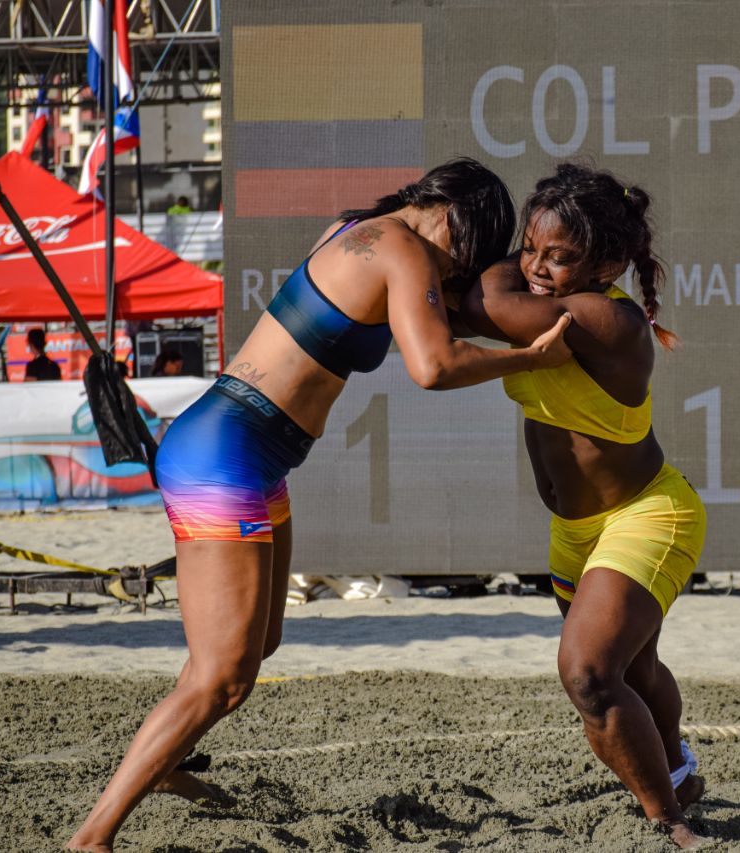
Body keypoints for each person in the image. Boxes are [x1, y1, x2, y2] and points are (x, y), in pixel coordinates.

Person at [66, 159, 573, 852]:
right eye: (469, 252)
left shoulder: (357, 229)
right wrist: (533, 359)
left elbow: (442, 316)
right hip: (224, 456)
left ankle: (167, 762)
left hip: (251, 456)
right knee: (224, 678)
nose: (460, 270)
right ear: (456, 219)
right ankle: (93, 837)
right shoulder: (403, 248)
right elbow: (434, 366)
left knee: (256, 645)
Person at [462, 164, 709, 849]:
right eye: (530, 249)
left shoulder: (607, 319)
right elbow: (490, 292)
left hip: (648, 515)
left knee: (590, 675)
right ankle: (678, 771)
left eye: (559, 257)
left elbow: (479, 305)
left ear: (607, 265)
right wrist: (518, 262)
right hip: (574, 533)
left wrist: (492, 270)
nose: (537, 269)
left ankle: (670, 824)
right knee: (634, 671)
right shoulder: (550, 296)